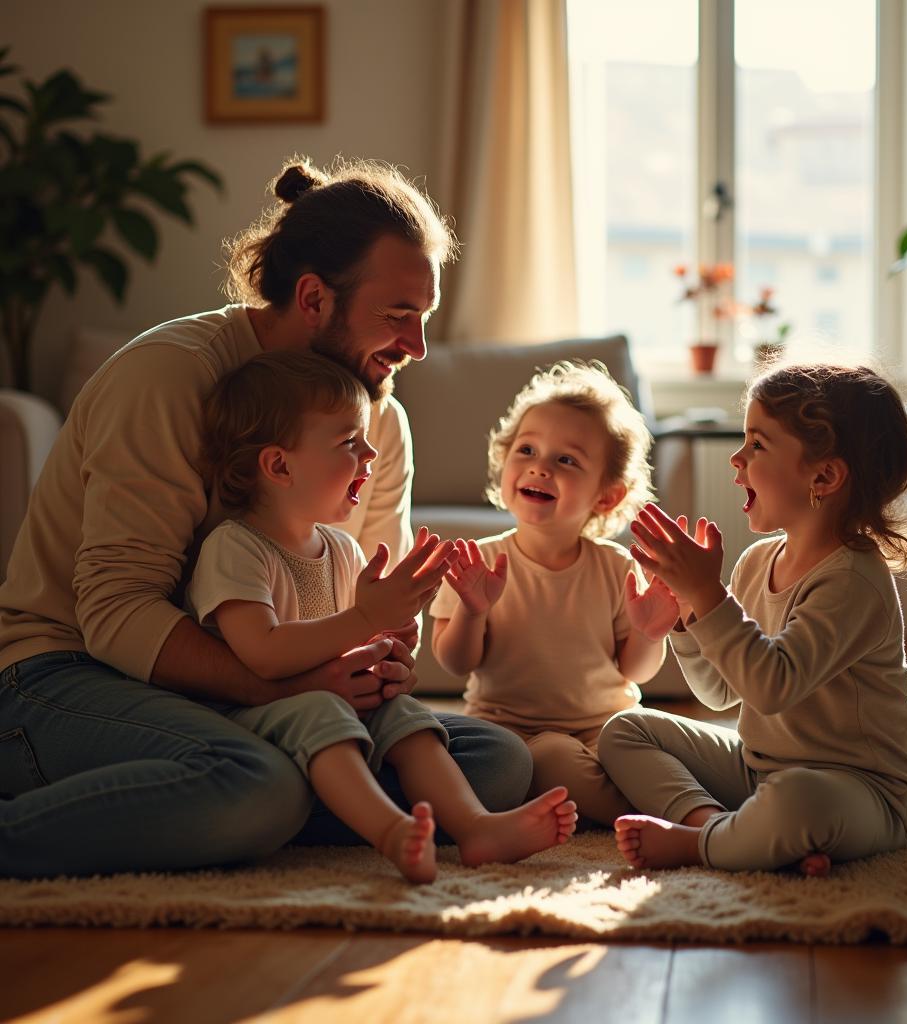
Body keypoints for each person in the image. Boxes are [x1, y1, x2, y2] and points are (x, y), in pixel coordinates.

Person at [0, 157, 534, 878]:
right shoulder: (168, 378)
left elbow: (365, 609)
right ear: (314, 297)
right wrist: (290, 690)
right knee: (256, 786)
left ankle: (201, 798)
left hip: (255, 695)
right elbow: (115, 613)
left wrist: (379, 661)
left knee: (495, 762)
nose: (418, 347)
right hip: (66, 673)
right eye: (397, 314)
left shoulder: (382, 419)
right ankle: (233, 797)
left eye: (425, 316)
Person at [186, 351, 577, 883]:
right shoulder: (235, 547)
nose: (371, 452)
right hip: (249, 720)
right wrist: (367, 617)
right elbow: (264, 653)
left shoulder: (343, 550)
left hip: (329, 710)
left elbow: (345, 646)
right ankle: (392, 830)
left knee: (406, 714)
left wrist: (389, 645)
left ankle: (474, 826)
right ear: (279, 466)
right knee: (322, 715)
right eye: (350, 443)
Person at [599, 363, 907, 875]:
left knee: (798, 801)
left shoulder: (854, 580)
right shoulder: (758, 562)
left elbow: (774, 686)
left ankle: (705, 843)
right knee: (625, 730)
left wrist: (708, 595)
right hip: (758, 768)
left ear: (823, 476)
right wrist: (687, 620)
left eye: (757, 445)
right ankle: (723, 826)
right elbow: (720, 692)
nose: (736, 458)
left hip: (860, 791)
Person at [430, 361, 679, 825]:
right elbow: (455, 662)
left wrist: (648, 634)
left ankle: (691, 802)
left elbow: (634, 671)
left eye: (566, 460)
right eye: (526, 449)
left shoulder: (615, 566)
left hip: (604, 728)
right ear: (504, 464)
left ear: (606, 496)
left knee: (655, 743)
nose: (539, 467)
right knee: (533, 761)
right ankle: (662, 810)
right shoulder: (475, 563)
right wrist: (471, 610)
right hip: (507, 732)